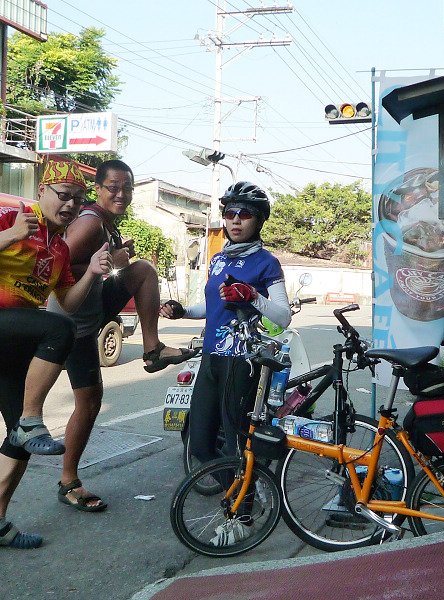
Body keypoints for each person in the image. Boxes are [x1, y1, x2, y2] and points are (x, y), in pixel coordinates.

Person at [0, 161, 112, 549]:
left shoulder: (58, 248)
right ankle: (31, 419)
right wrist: (9, 235)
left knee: (17, 440)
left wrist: (91, 272)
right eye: (63, 196)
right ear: (42, 191)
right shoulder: (12, 217)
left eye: (78, 199)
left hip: (12, 342)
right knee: (58, 329)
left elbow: (69, 303)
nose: (71, 205)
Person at [46, 159, 196, 512]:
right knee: (58, 408)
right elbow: (57, 262)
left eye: (127, 187)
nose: (121, 193)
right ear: (97, 189)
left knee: (142, 270)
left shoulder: (104, 224)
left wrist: (114, 257)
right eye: (113, 186)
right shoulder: (91, 221)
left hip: (89, 315)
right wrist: (112, 260)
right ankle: (65, 481)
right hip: (68, 326)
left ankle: (152, 348)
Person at [159, 181, 291, 546]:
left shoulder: (266, 262)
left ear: (259, 220)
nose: (235, 220)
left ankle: (243, 515)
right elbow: (211, 307)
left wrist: (252, 297)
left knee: (236, 443)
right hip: (212, 357)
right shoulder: (219, 258)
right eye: (229, 213)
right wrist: (183, 311)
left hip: (242, 362)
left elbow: (283, 317)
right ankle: (247, 488)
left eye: (244, 214)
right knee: (200, 442)